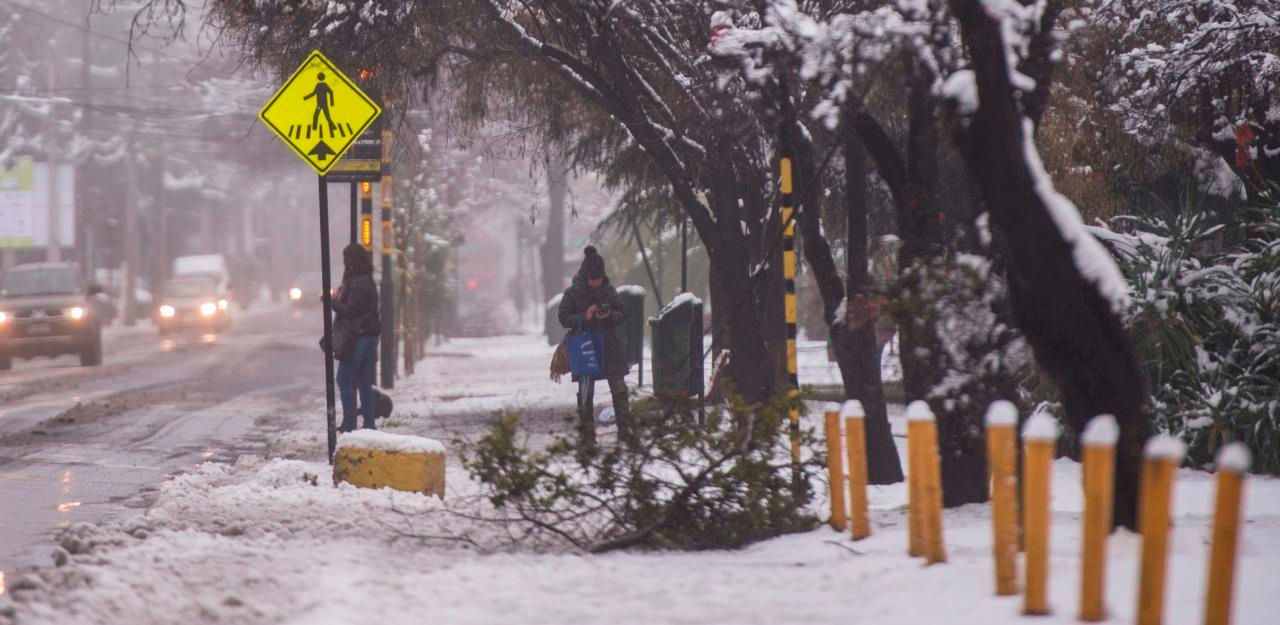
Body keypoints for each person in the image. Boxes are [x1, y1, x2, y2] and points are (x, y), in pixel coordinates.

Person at [558, 246, 631, 450]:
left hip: (609, 346)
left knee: (618, 388)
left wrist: (608, 315)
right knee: (585, 392)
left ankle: (625, 432)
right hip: (585, 347)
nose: (596, 282)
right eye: (593, 278)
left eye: (598, 278)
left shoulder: (608, 290)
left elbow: (623, 312)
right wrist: (584, 317)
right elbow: (563, 317)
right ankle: (587, 436)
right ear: (586, 275)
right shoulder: (573, 293)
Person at [333, 243, 381, 432]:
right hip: (368, 336)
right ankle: (369, 424)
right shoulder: (365, 279)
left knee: (344, 379)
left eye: (347, 258)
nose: (345, 262)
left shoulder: (359, 282)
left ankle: (350, 424)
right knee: (363, 382)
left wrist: (333, 303)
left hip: (359, 337)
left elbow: (351, 310)